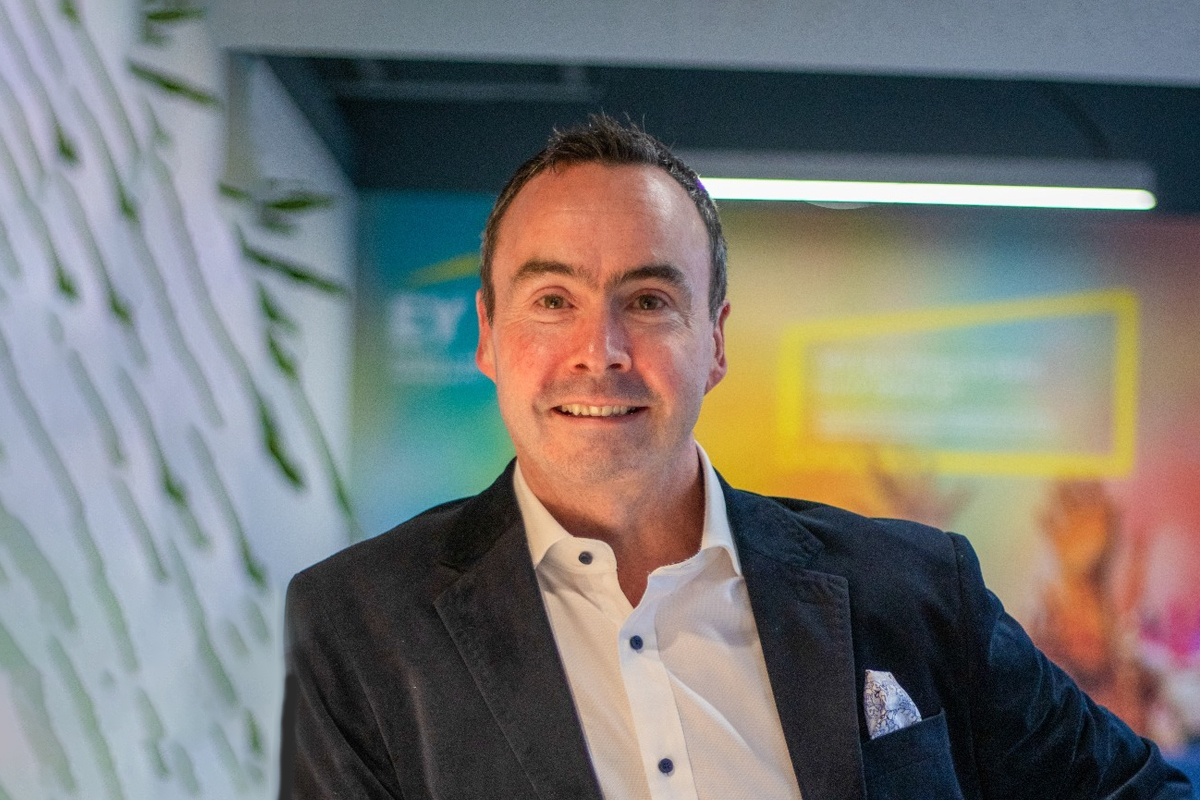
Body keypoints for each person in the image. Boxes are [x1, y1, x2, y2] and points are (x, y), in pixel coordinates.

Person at [281, 115, 1192, 799]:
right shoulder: (362, 623)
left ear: (715, 342)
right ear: (488, 334)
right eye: (553, 300)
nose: (600, 350)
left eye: (648, 301)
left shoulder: (913, 592)